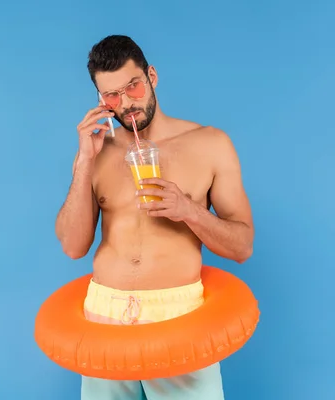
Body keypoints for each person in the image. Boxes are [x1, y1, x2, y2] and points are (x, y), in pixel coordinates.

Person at [54, 35, 255, 400]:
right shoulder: (96, 152)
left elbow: (242, 246)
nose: (126, 102)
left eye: (132, 86)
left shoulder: (210, 144)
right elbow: (72, 246)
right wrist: (84, 160)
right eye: (112, 95)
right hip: (105, 317)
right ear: (101, 100)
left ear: (152, 76)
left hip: (178, 318)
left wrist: (190, 211)